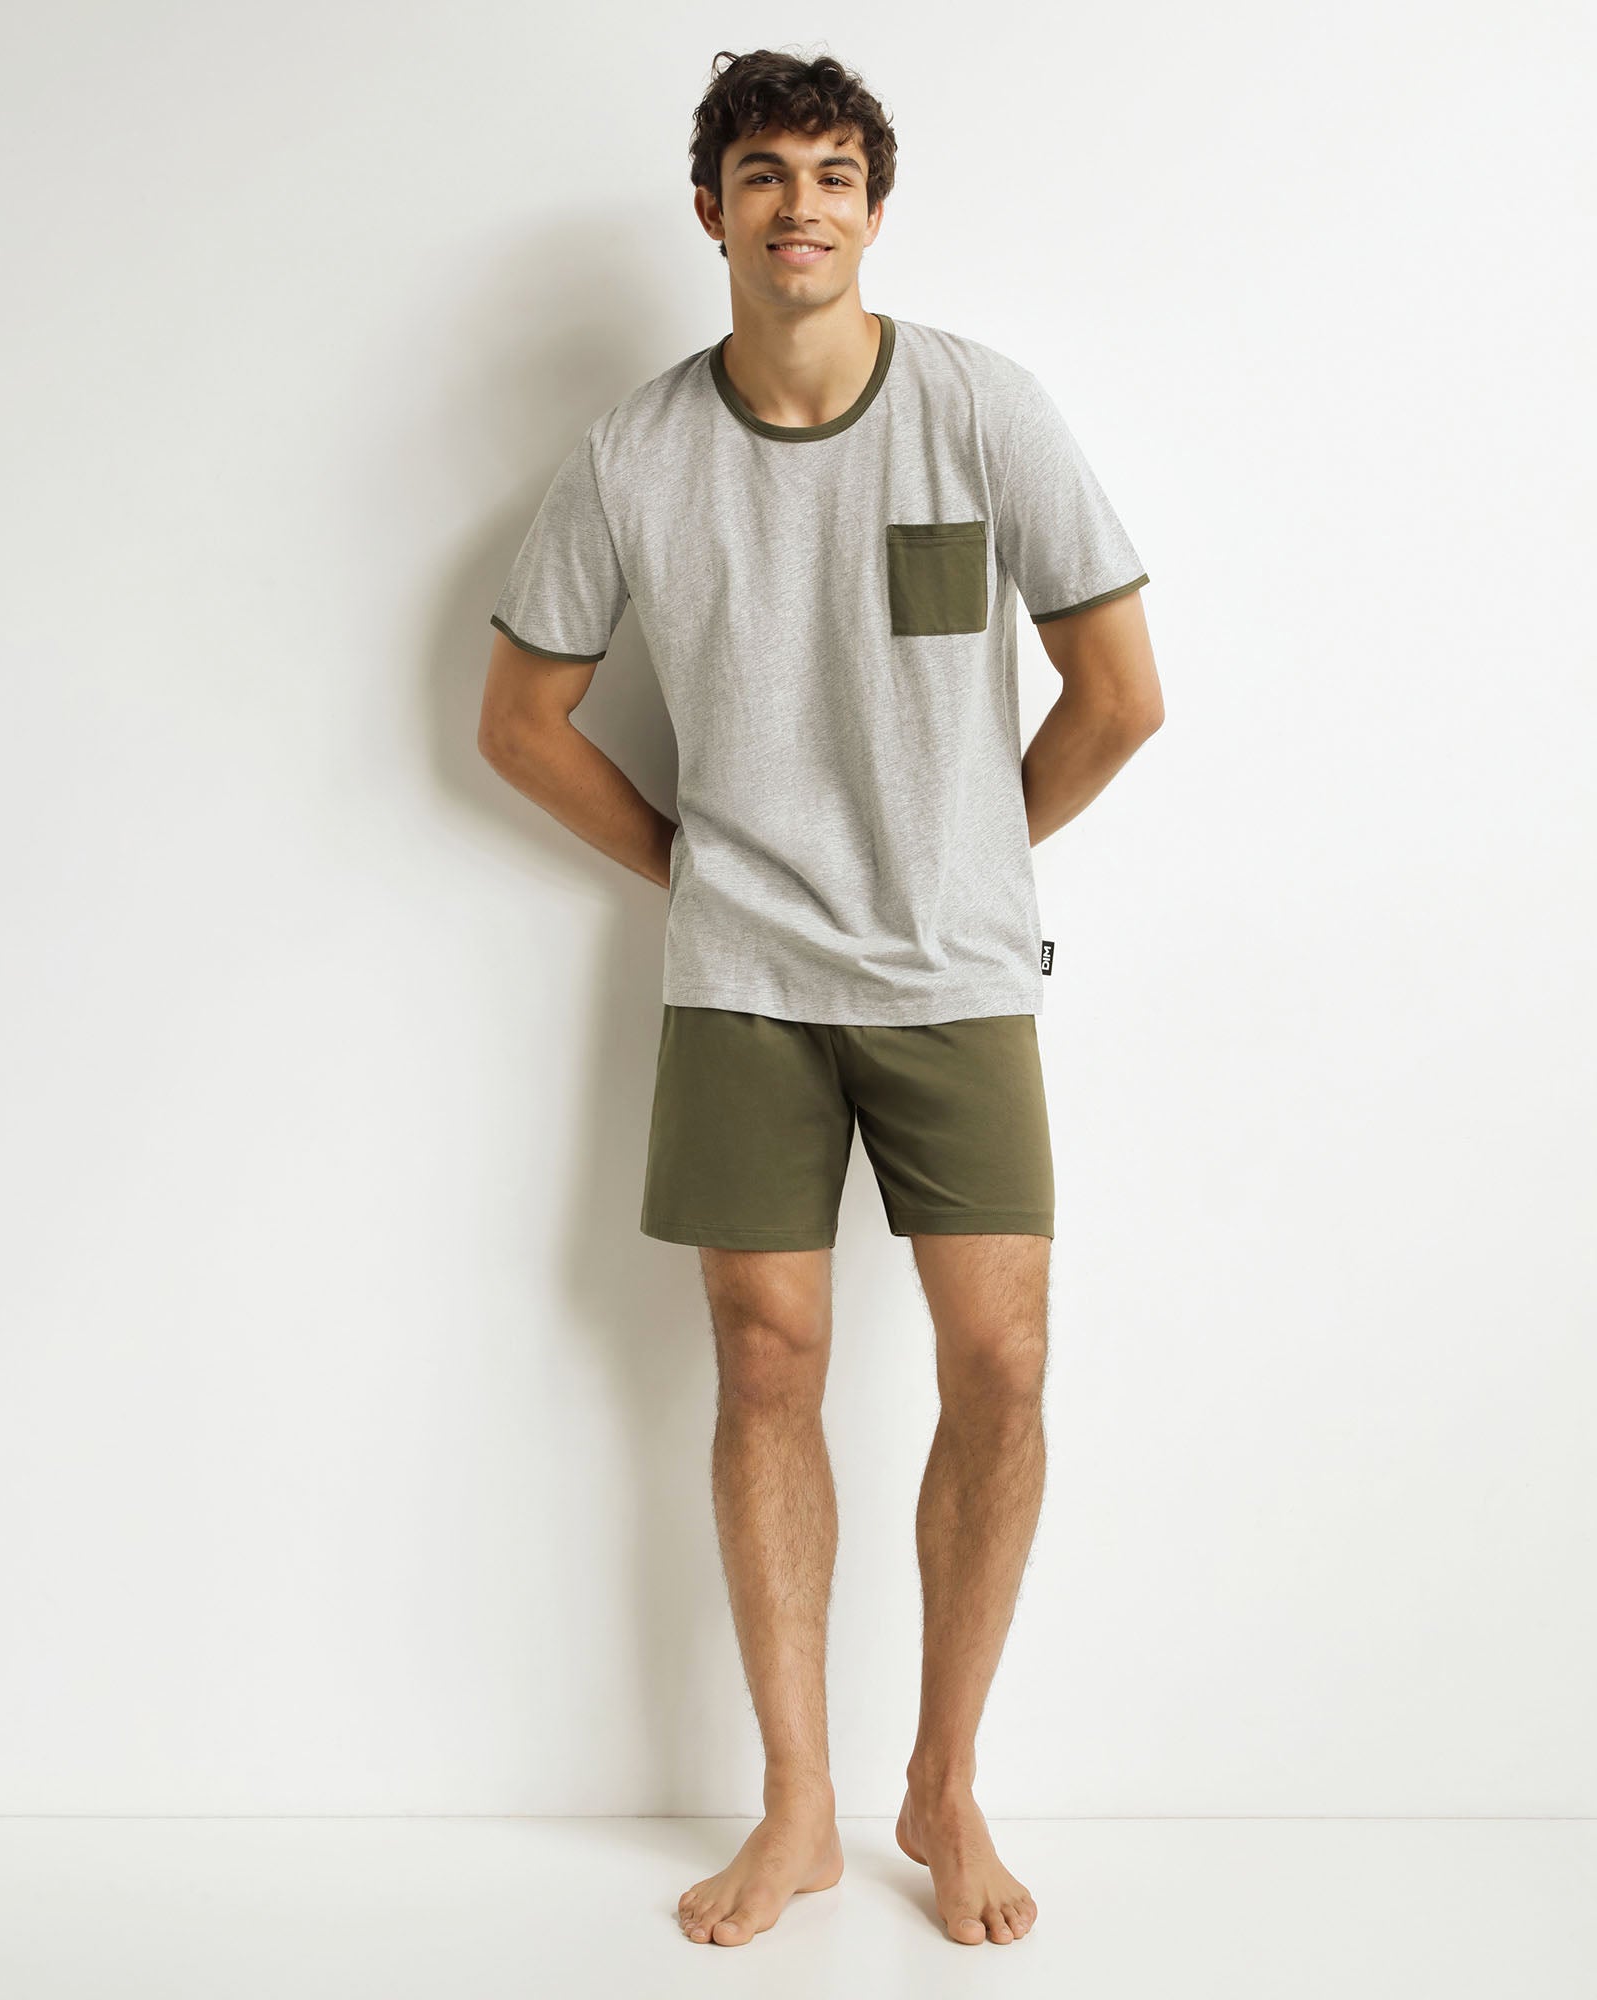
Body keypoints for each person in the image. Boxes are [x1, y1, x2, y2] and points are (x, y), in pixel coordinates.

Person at [477, 47, 1162, 1950]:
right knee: (765, 1363)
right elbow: (519, 722)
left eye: (836, 172)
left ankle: (945, 1781)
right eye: (766, 173)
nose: (803, 205)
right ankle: (797, 1804)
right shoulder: (634, 455)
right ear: (711, 211)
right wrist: (697, 868)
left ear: (875, 207)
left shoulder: (981, 408)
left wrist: (967, 864)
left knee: (1003, 1364)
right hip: (744, 988)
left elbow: (1122, 696)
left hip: (956, 978)